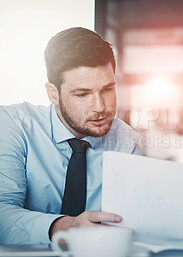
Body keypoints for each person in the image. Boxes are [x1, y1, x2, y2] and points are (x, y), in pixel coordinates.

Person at [0, 27, 141, 245]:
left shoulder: (126, 141)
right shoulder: (13, 125)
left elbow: (135, 221)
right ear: (53, 94)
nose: (100, 106)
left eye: (107, 89)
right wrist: (67, 227)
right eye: (83, 94)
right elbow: (1, 215)